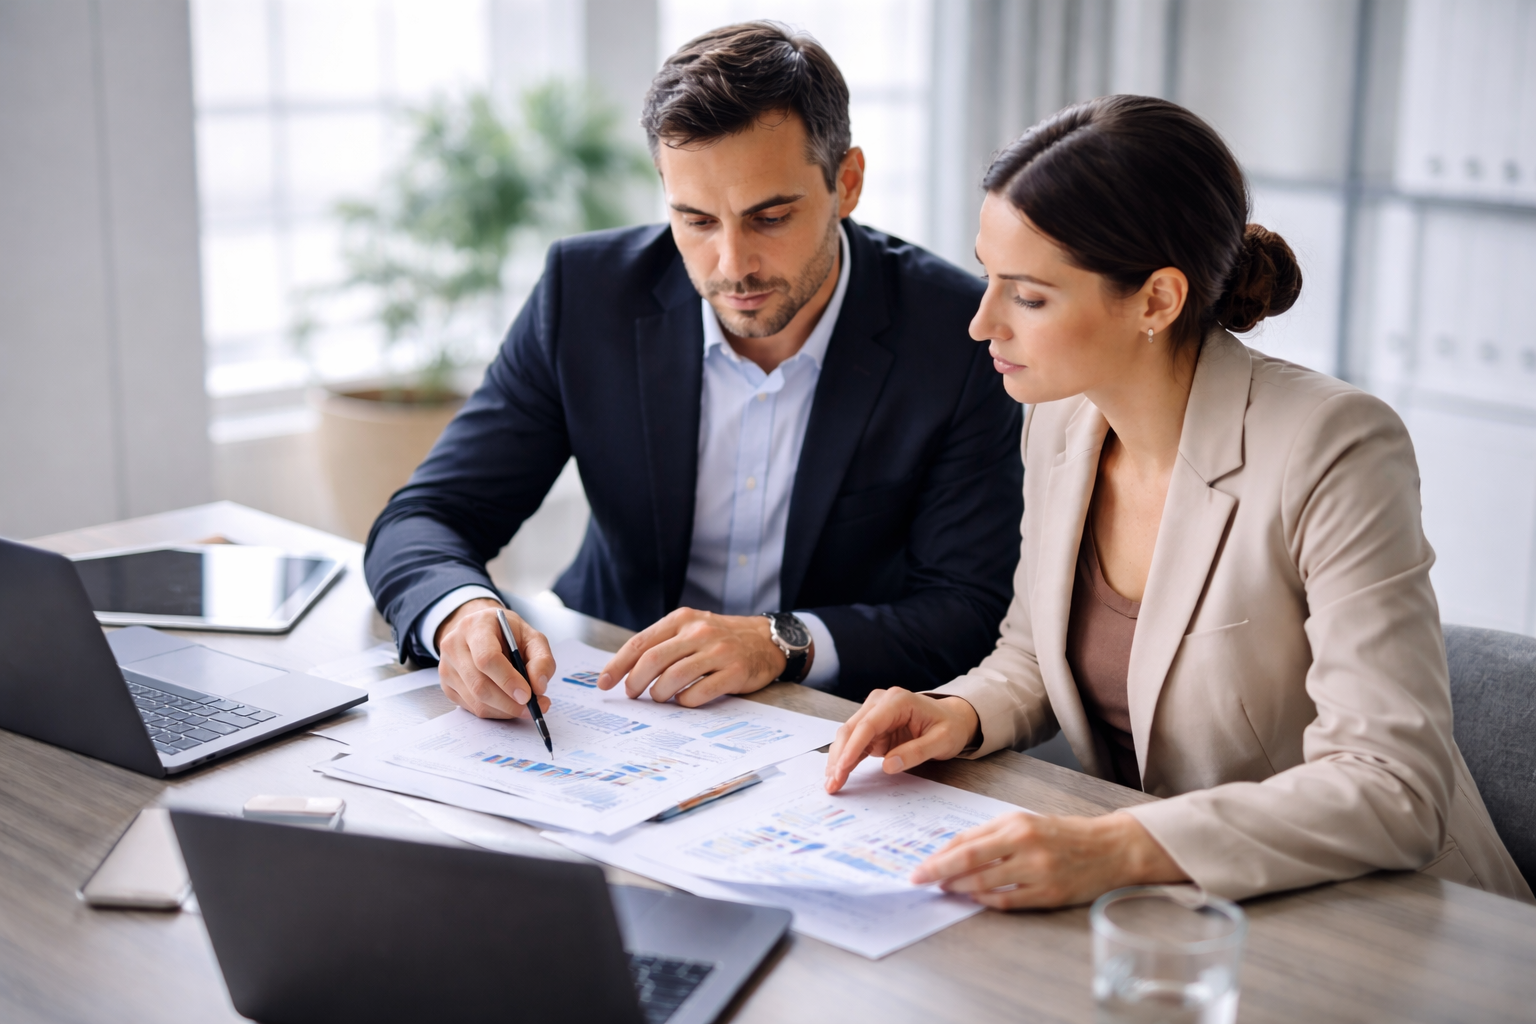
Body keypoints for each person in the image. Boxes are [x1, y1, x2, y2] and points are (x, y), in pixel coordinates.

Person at [824, 94, 1534, 906]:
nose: (982, 324)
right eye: (989, 279)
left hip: (1383, 917)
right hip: (1174, 907)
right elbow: (1032, 651)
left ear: (1157, 300)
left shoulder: (1335, 445)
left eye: (1027, 295)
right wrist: (958, 712)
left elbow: (1390, 787)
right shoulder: (1061, 418)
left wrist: (1118, 845)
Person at [364, 22, 1022, 719]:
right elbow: (426, 516)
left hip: (827, 719)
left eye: (770, 217)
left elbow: (967, 609)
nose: (733, 264)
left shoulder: (956, 333)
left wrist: (780, 641)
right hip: (608, 696)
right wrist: (460, 616)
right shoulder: (585, 296)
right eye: (697, 220)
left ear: (846, 182)